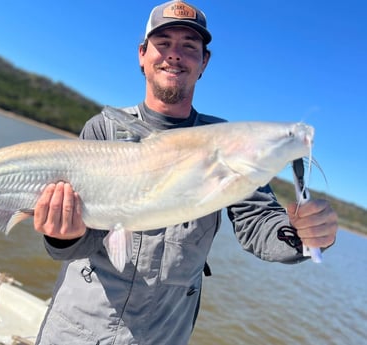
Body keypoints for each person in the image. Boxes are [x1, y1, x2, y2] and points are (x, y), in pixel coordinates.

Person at [33, 1, 339, 344]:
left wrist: (305, 234)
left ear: (204, 62)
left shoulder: (228, 144)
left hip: (163, 335)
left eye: (189, 46)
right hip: (78, 328)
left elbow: (259, 224)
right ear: (142, 54)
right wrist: (62, 234)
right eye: (163, 43)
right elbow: (80, 240)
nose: (174, 54)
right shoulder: (103, 130)